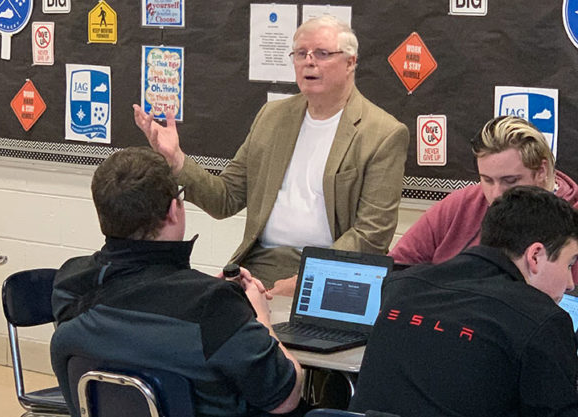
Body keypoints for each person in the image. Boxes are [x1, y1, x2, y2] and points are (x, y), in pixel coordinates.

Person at [133, 15, 409, 292]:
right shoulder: (272, 116)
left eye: (322, 54)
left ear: (351, 62)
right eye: (301, 54)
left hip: (330, 276)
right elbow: (225, 198)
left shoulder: (382, 134)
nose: (309, 62)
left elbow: (371, 236)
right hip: (258, 266)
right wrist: (177, 159)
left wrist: (304, 281)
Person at [50, 147, 303, 417]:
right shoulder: (214, 307)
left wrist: (212, 295)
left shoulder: (70, 284)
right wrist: (260, 317)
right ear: (174, 210)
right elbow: (285, 396)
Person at [350, 186, 578, 416]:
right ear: (535, 256)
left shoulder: (399, 287)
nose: (570, 282)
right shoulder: (542, 320)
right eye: (569, 264)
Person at [390, 115, 578, 268]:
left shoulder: (571, 222)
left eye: (510, 181)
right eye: (487, 180)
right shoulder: (462, 203)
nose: (496, 194)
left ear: (541, 171)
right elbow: (397, 265)